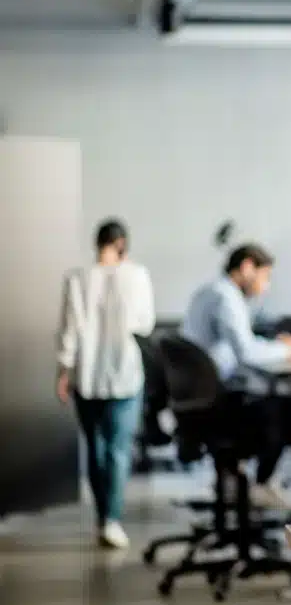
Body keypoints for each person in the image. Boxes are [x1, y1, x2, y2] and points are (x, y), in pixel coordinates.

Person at [180, 243, 291, 509]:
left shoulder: (209, 292)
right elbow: (246, 352)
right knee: (289, 403)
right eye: (265, 276)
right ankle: (262, 483)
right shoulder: (226, 297)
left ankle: (235, 481)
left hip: (197, 403)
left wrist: (274, 346)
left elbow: (238, 344)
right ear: (247, 267)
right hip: (217, 406)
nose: (266, 285)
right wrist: (287, 349)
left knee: (269, 396)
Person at [56, 218, 156, 549]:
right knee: (118, 450)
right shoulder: (137, 275)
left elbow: (69, 329)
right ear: (122, 243)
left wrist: (63, 372)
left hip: (86, 376)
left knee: (96, 448)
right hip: (126, 375)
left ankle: (103, 516)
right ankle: (112, 519)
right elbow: (146, 323)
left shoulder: (77, 279)